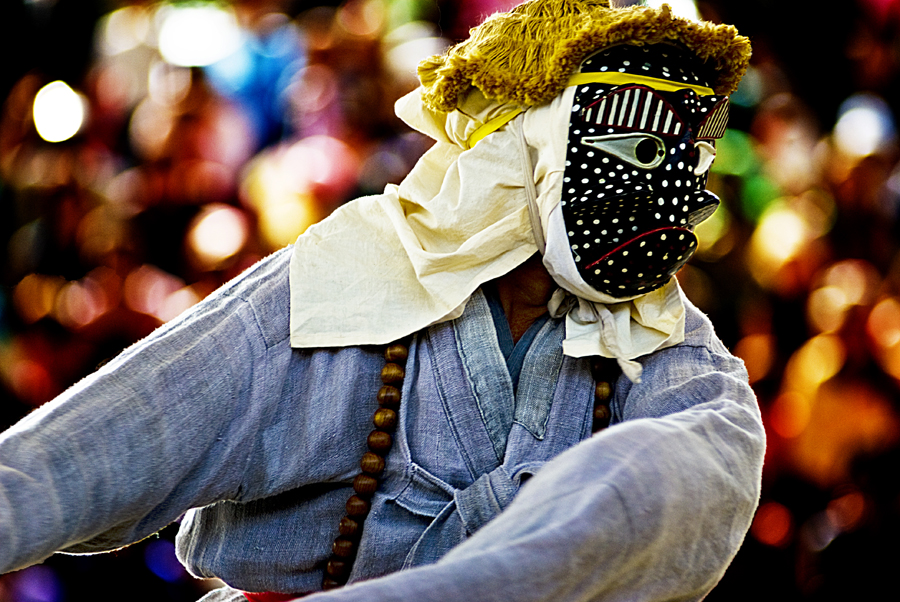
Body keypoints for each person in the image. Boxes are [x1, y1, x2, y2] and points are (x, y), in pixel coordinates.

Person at [0, 1, 765, 601]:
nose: (671, 188)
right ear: (519, 147)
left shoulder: (664, 343)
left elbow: (686, 478)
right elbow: (101, 447)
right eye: (638, 149)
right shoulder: (342, 283)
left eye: (684, 156)